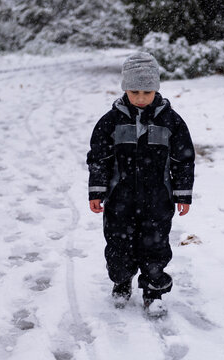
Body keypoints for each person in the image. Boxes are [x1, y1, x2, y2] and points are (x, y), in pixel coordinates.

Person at [86, 52, 195, 317]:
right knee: (118, 246)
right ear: (125, 89)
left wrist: (182, 193)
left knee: (155, 247)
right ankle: (121, 281)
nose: (141, 98)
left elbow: (184, 159)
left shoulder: (171, 121)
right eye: (135, 91)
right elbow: (98, 158)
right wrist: (97, 191)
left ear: (156, 89)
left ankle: (154, 291)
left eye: (147, 92)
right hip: (120, 200)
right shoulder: (110, 122)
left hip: (158, 200)